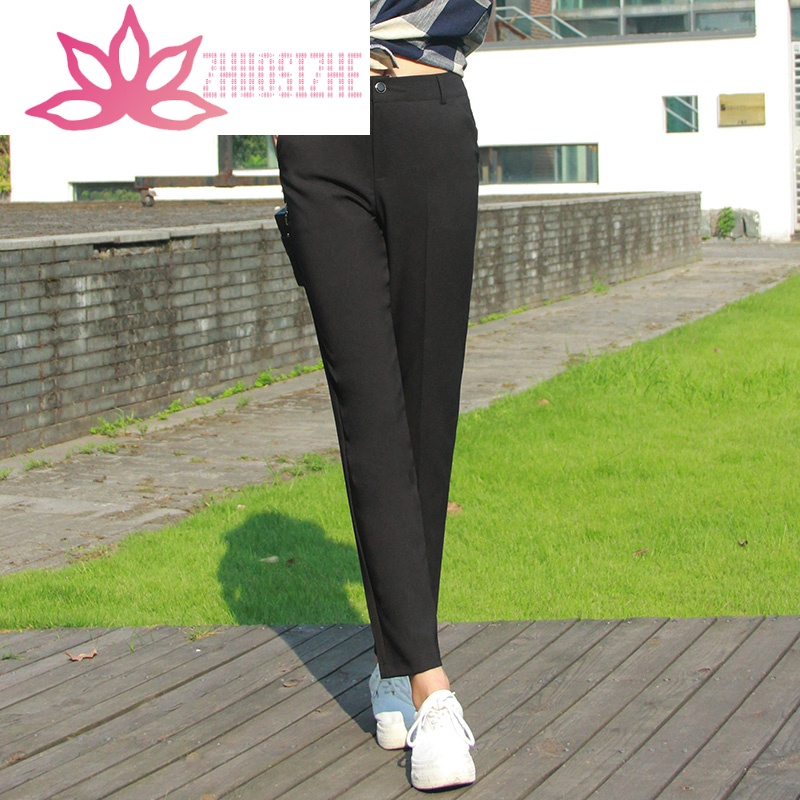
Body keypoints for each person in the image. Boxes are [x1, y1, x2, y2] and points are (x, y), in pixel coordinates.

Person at [275, 0, 492, 790]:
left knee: (426, 414)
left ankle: (394, 663)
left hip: (426, 108)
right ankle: (431, 688)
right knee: (367, 405)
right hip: (314, 115)